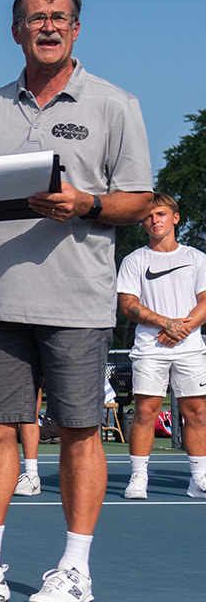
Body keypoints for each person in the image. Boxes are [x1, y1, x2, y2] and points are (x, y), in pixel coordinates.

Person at [0, 0, 152, 602]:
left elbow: (139, 200)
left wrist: (85, 203)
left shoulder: (113, 104)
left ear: (76, 29)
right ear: (16, 31)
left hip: (77, 300)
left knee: (78, 432)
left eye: (60, 17)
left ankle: (74, 571)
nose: (47, 27)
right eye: (35, 18)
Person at [116, 193, 206, 499]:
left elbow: (205, 301)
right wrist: (166, 323)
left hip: (190, 347)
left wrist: (181, 327)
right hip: (149, 348)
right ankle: (138, 478)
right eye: (149, 216)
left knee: (197, 413)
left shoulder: (196, 258)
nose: (155, 221)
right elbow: (128, 305)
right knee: (146, 412)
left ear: (175, 218)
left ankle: (199, 479)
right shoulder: (134, 260)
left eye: (161, 214)